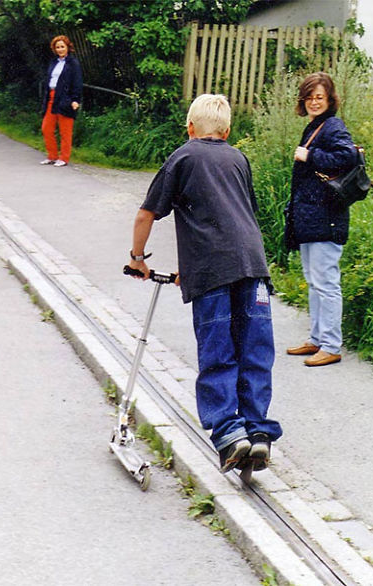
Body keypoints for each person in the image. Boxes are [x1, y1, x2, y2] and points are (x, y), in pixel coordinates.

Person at [127, 94, 282, 473]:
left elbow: (147, 214)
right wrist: (191, 268)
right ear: (227, 130)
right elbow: (234, 216)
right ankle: (258, 433)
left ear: (190, 127)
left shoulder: (183, 156)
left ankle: (231, 434)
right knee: (255, 351)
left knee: (218, 352)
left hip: (213, 272)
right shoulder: (238, 159)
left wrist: (137, 258)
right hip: (252, 266)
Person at [284, 72, 359, 367]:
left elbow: (348, 157)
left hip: (326, 218)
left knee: (326, 283)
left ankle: (330, 345)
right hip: (311, 218)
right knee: (314, 282)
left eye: (320, 97)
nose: (314, 102)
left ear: (330, 100)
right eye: (310, 97)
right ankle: (317, 339)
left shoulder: (333, 126)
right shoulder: (316, 126)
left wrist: (310, 156)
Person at [39, 35, 83, 168]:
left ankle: (64, 158)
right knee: (46, 128)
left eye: (62, 47)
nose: (60, 49)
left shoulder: (73, 63)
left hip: (66, 99)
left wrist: (75, 100)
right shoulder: (54, 62)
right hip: (52, 98)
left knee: (65, 130)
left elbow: (77, 82)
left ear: (67, 48)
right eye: (57, 47)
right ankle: (52, 155)